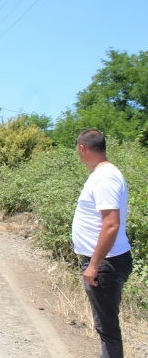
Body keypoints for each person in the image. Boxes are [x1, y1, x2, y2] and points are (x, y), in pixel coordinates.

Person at [72, 129, 133, 358]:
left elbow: (111, 225)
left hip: (106, 264)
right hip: (105, 262)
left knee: (108, 330)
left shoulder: (105, 176)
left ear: (82, 148)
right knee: (105, 327)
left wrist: (94, 265)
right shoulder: (102, 174)